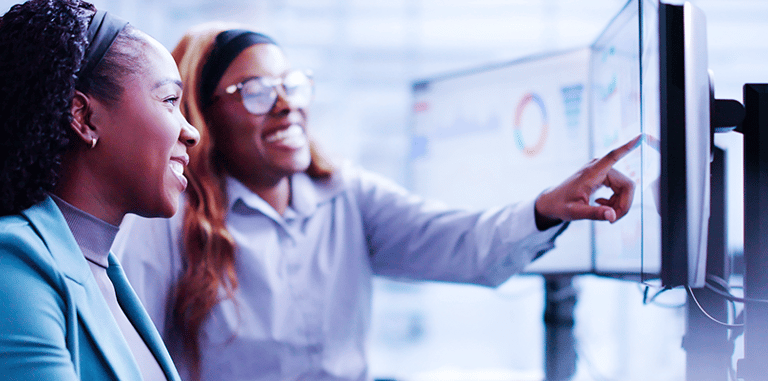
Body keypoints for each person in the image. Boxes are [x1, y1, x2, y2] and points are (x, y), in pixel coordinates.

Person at [113, 22, 637, 381]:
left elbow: (463, 243)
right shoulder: (169, 218)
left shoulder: (347, 195)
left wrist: (547, 207)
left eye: (292, 85)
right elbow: (133, 359)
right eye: (254, 90)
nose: (285, 105)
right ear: (203, 116)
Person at [0, 0, 200, 379]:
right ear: (84, 117)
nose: (192, 132)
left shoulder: (105, 271)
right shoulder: (13, 264)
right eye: (170, 101)